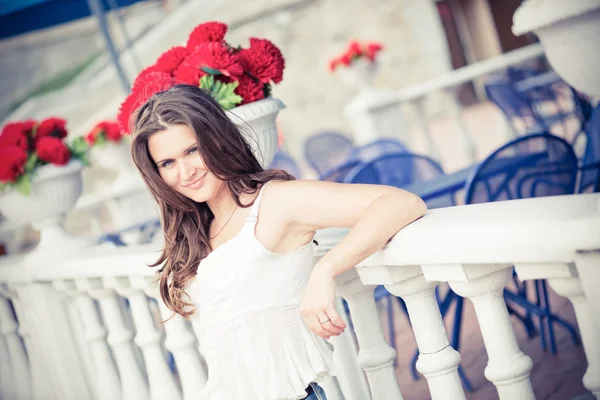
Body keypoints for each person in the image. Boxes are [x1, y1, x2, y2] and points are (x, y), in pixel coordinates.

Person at [130, 84, 427, 400]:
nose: (185, 171)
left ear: (216, 139)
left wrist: (325, 269)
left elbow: (401, 203)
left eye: (192, 150)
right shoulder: (199, 230)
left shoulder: (273, 203)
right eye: (168, 163)